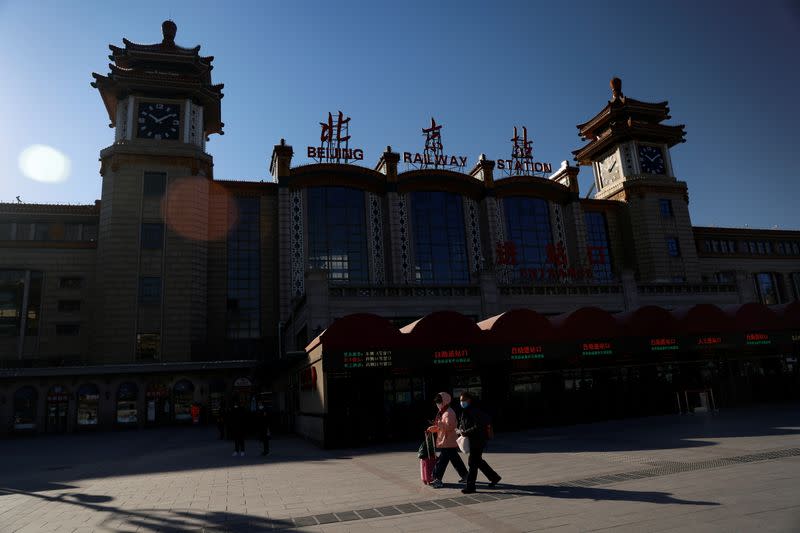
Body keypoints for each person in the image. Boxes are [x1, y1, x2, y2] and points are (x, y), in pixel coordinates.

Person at [457, 391, 501, 494]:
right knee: (478, 461)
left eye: (464, 400)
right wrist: (461, 429)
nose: (462, 402)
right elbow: (465, 423)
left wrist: (466, 432)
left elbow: (478, 426)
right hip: (473, 440)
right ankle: (494, 477)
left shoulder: (474, 411)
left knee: (472, 463)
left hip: (478, 440)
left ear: (469, 400)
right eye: (460, 400)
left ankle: (470, 487)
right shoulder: (465, 411)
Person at [426, 392, 468, 488]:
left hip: (448, 440)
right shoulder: (443, 411)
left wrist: (439, 425)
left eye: (439, 402)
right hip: (447, 440)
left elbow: (450, 426)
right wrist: (434, 428)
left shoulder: (449, 412)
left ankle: (437, 479)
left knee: (442, 461)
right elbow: (442, 426)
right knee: (455, 459)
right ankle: (466, 475)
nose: (438, 404)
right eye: (437, 402)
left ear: (445, 402)